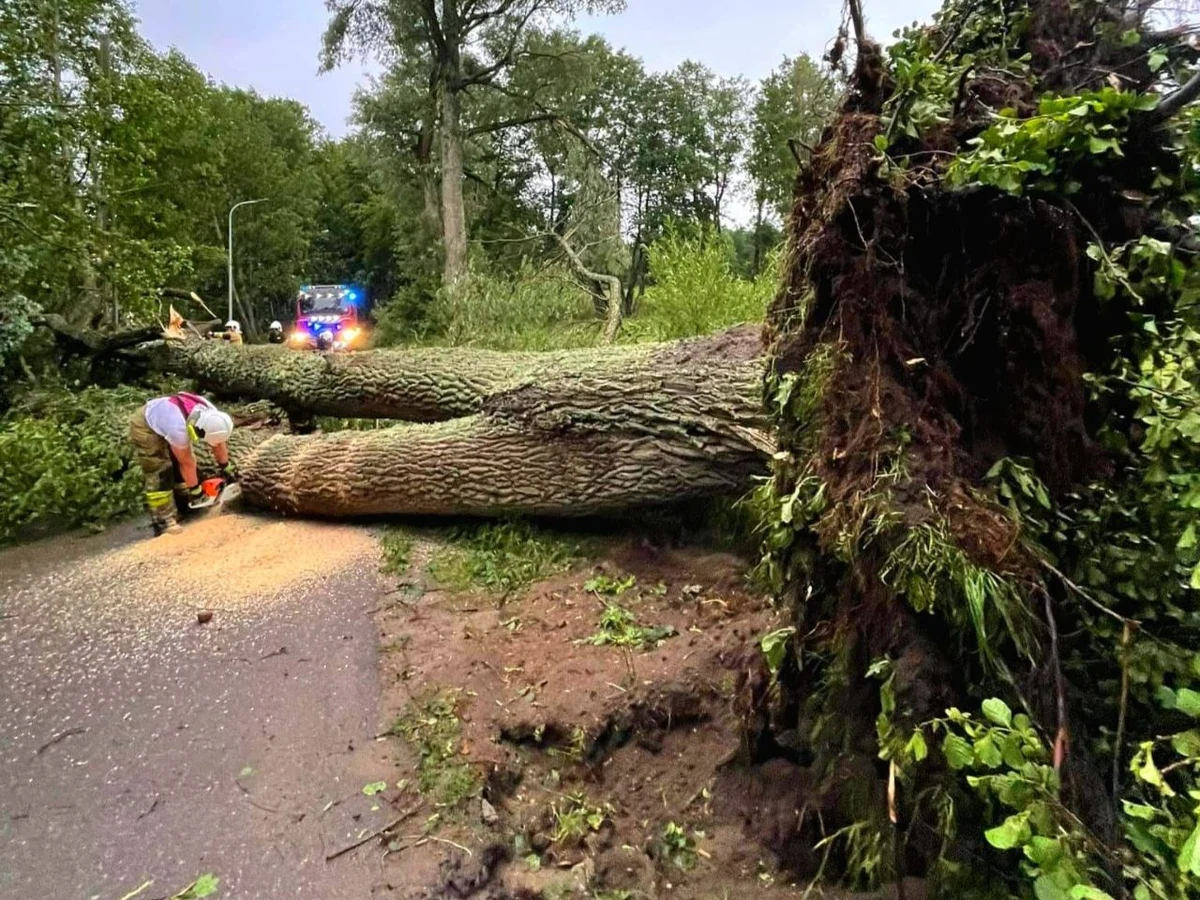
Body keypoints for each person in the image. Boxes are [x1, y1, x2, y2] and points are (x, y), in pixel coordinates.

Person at [129, 392, 236, 536]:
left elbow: (218, 444)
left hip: (166, 415)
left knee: (177, 462)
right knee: (161, 470)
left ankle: (183, 505)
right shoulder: (178, 428)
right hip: (145, 425)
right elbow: (186, 461)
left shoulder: (213, 416)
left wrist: (226, 467)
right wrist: (196, 491)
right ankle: (163, 520)